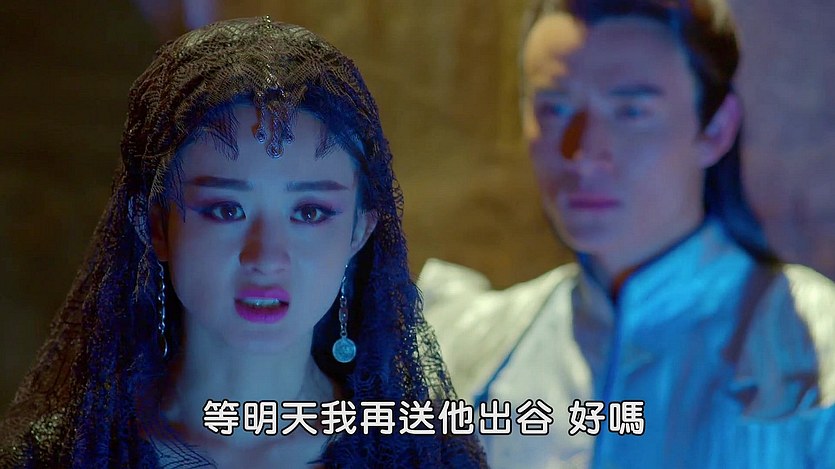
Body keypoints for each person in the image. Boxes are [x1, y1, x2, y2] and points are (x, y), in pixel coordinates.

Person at [0, 17, 486, 468]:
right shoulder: (60, 455)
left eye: (310, 212)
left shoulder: (427, 456)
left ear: (360, 230)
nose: (266, 258)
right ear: (156, 225)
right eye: (225, 210)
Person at [418, 0, 835, 467]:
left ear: (716, 129)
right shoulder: (469, 350)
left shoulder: (819, 353)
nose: (582, 153)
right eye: (554, 108)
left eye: (631, 111)